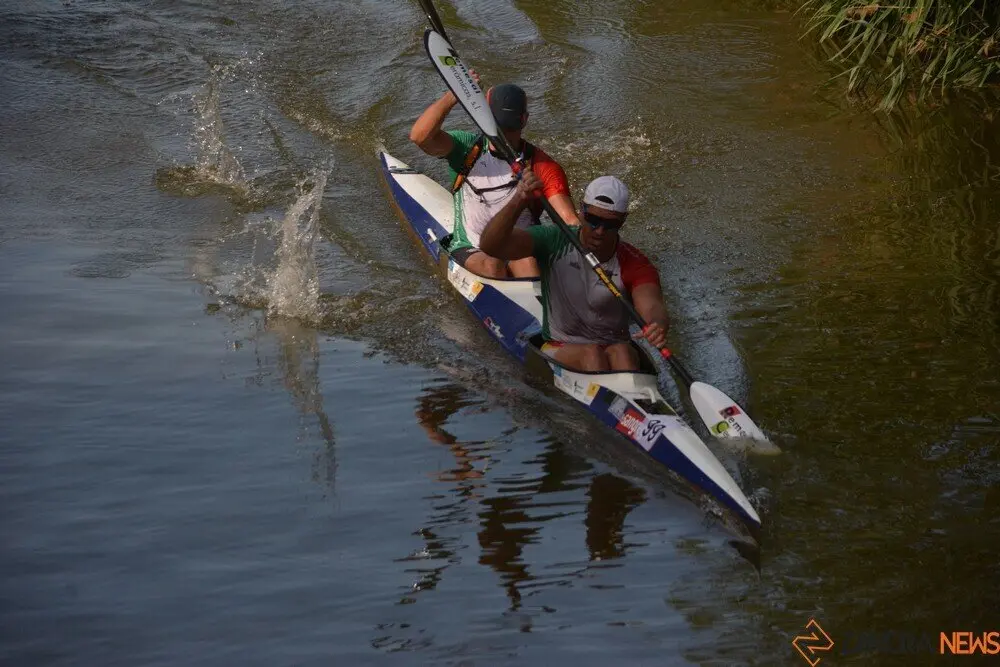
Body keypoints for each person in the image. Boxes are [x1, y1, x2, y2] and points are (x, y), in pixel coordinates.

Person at [478, 172, 669, 372]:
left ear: (623, 221)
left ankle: (635, 399)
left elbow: (652, 305)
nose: (599, 231)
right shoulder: (554, 240)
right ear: (581, 211)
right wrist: (519, 200)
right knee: (592, 354)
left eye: (610, 224)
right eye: (593, 219)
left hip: (615, 348)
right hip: (560, 345)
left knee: (623, 352)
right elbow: (491, 246)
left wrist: (657, 323)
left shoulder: (634, 262)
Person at [409, 81, 579, 278]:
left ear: (484, 116)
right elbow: (419, 136)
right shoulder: (467, 151)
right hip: (471, 246)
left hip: (518, 246)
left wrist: (453, 95)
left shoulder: (541, 165)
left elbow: (570, 223)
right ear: (524, 119)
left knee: (527, 263)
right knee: (493, 266)